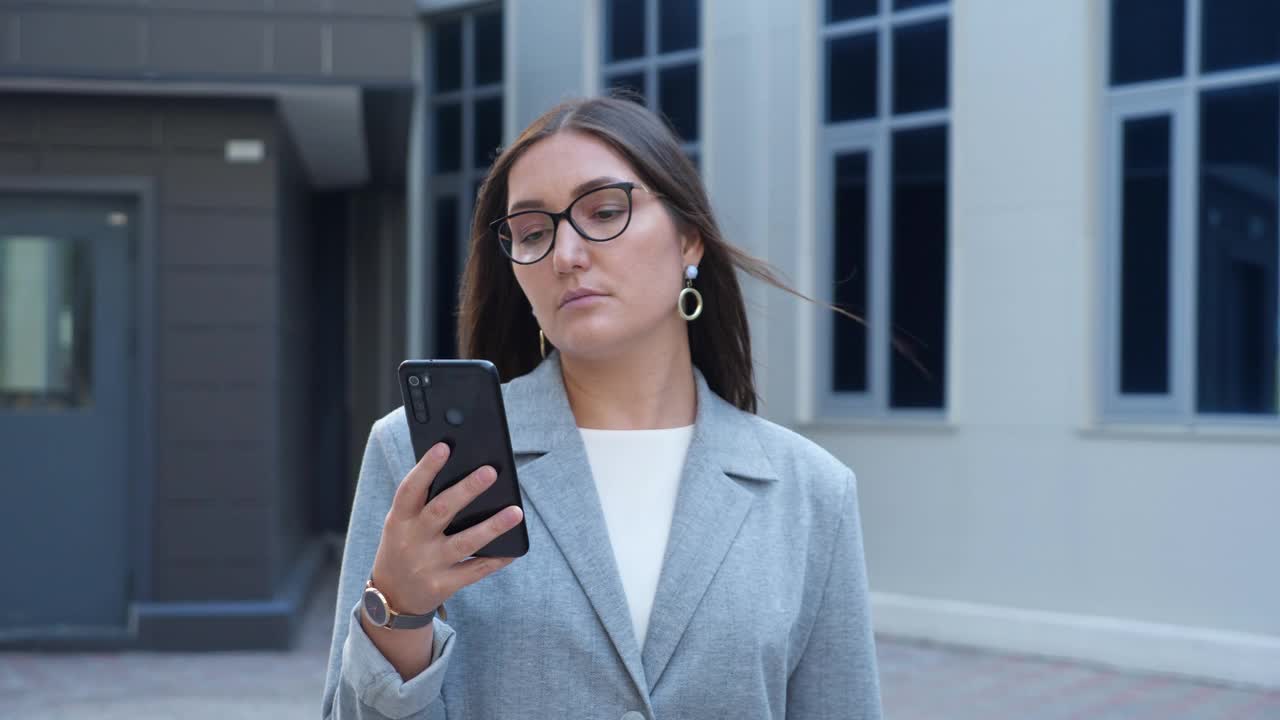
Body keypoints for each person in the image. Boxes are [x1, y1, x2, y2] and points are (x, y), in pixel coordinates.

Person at [321, 95, 883, 719]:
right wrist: (396, 613)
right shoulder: (419, 457)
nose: (566, 255)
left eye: (605, 211)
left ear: (689, 239)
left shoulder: (810, 493)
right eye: (533, 232)